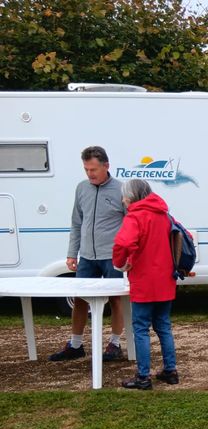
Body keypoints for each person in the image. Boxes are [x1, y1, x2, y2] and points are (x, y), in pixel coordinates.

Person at [49, 146, 126, 362]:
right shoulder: (82, 188)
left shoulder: (122, 189)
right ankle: (75, 345)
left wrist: (127, 254)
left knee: (116, 299)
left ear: (106, 166)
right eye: (86, 169)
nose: (90, 174)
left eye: (93, 169)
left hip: (112, 256)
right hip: (87, 256)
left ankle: (115, 344)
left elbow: (131, 224)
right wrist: (71, 253)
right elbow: (76, 222)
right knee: (80, 299)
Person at [112, 179, 179, 390]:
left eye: (124, 196)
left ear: (131, 197)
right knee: (164, 326)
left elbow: (123, 242)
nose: (123, 200)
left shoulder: (135, 216)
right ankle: (170, 371)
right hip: (165, 279)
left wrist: (119, 263)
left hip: (144, 280)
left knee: (141, 328)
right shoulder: (164, 214)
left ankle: (143, 376)